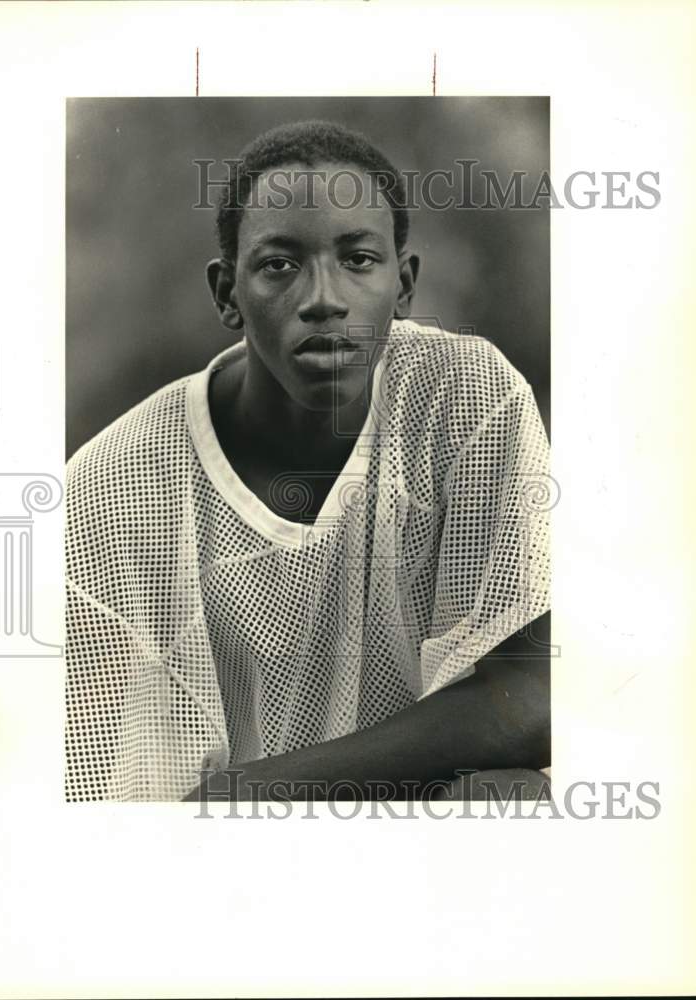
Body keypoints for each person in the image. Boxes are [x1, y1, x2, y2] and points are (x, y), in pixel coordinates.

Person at [65, 120, 551, 803]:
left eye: (357, 259)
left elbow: (528, 698)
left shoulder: (463, 397)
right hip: (205, 866)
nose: (323, 299)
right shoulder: (112, 486)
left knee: (510, 796)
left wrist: (250, 793)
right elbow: (85, 783)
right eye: (278, 264)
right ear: (226, 295)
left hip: (408, 837)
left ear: (403, 285)